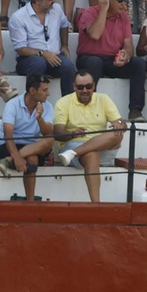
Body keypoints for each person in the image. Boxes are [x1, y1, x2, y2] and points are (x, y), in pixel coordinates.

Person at [74, 0, 145, 120]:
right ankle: (88, 109)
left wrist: (126, 56)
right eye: (119, 0)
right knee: (95, 63)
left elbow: (128, 45)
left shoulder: (123, 16)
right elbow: (95, 34)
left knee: (138, 64)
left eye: (124, 0)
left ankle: (135, 111)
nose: (123, 4)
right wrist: (104, 9)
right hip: (89, 58)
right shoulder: (90, 12)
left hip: (112, 60)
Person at [52, 69, 122, 203]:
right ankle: (96, 205)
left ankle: (72, 153)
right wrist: (73, 134)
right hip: (76, 143)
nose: (85, 90)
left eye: (88, 86)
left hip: (98, 147)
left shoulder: (103, 98)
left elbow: (119, 121)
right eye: (80, 87)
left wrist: (119, 124)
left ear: (94, 86)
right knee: (92, 154)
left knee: (118, 134)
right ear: (74, 87)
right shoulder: (63, 102)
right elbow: (57, 133)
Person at [0, 72, 52, 201]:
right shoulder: (12, 104)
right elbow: (8, 135)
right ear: (32, 90)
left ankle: (8, 160)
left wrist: (39, 118)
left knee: (50, 140)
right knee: (32, 158)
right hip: (9, 145)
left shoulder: (47, 106)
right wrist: (17, 157)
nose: (48, 94)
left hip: (33, 145)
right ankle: (30, 202)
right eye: (45, 90)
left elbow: (48, 133)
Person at [10, 0, 74, 96]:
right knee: (38, 63)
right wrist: (43, 53)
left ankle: (68, 106)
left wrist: (65, 44)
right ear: (38, 0)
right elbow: (20, 48)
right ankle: (31, 103)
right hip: (29, 59)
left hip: (54, 56)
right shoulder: (18, 17)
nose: (54, 1)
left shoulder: (57, 9)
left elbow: (64, 24)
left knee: (68, 66)